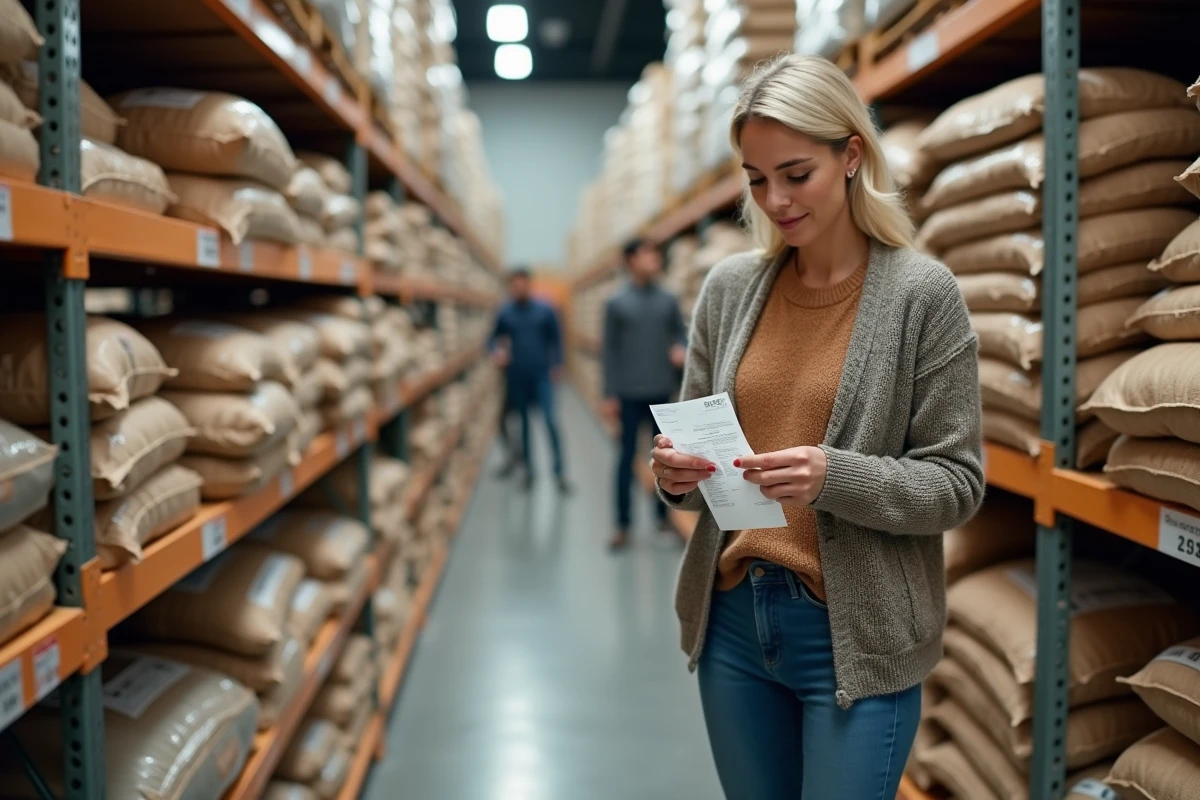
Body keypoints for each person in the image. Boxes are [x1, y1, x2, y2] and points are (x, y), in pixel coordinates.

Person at [648, 55, 984, 800]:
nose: (774, 199)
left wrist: (837, 477)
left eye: (796, 174)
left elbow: (958, 484)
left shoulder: (922, 296)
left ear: (851, 154)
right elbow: (689, 442)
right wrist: (671, 474)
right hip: (733, 619)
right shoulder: (729, 290)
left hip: (852, 637)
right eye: (757, 178)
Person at [602, 237, 688, 550]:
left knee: (664, 461)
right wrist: (609, 394)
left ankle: (663, 518)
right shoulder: (615, 302)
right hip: (627, 393)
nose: (655, 258)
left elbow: (681, 333)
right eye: (648, 253)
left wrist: (681, 347)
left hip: (661, 391)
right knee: (625, 459)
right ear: (631, 260)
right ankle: (622, 525)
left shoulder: (668, 299)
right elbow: (609, 351)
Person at [490, 267, 571, 493]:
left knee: (549, 422)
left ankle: (559, 474)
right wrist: (496, 351)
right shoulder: (505, 313)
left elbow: (557, 339)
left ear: (529, 284)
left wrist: (557, 364)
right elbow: (492, 339)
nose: (519, 288)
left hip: (542, 375)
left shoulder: (545, 311)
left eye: (522, 283)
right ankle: (529, 473)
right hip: (517, 376)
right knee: (523, 426)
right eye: (514, 285)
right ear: (510, 287)